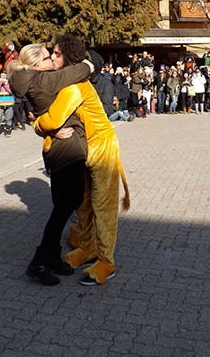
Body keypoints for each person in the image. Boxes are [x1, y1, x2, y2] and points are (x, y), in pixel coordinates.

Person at [30, 36, 131, 286]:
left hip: (102, 147)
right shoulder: (68, 81)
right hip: (84, 149)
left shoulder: (72, 87)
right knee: (83, 204)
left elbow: (51, 120)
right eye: (51, 53)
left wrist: (37, 124)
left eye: (56, 54)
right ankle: (88, 247)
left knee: (102, 206)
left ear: (68, 58)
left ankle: (107, 261)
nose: (52, 57)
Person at [8, 42, 95, 286]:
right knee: (66, 206)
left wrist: (44, 127)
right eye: (49, 57)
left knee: (62, 205)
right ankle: (39, 262)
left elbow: (39, 117)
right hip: (67, 150)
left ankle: (53, 257)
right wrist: (89, 63)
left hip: (58, 149)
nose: (52, 61)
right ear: (37, 64)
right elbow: (76, 71)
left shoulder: (33, 80)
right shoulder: (41, 80)